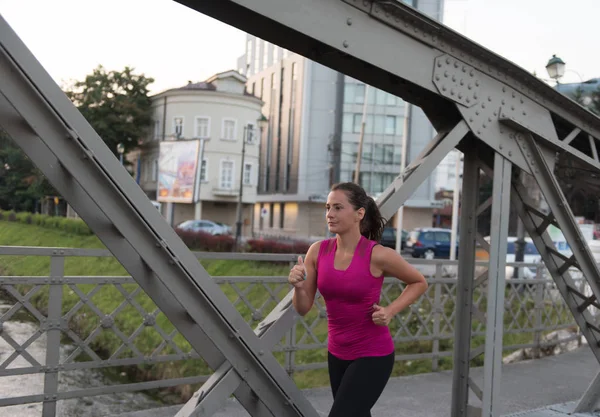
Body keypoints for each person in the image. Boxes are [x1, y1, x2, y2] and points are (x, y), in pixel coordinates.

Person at [288, 182, 428, 417]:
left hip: (373, 354)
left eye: (338, 208)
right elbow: (302, 308)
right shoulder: (317, 251)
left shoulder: (378, 254)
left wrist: (391, 310)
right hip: (336, 354)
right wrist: (298, 288)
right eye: (327, 207)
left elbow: (419, 282)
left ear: (359, 214)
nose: (330, 214)